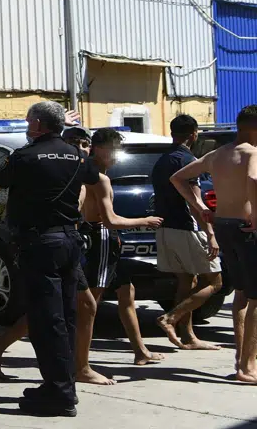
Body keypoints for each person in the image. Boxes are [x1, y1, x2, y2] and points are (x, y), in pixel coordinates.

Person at [0, 101, 99, 417]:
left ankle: (58, 393)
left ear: (36, 125)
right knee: (66, 316)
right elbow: (93, 178)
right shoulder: (77, 154)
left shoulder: (24, 156)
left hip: (39, 243)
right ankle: (64, 385)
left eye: (29, 121)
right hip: (70, 241)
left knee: (46, 320)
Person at [169, 104, 257, 383]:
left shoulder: (217, 154)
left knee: (241, 294)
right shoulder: (252, 153)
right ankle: (248, 367)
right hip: (246, 228)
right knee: (255, 298)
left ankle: (241, 360)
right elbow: (254, 178)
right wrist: (255, 215)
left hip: (224, 225)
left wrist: (201, 208)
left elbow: (177, 178)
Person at [70, 129, 166, 384]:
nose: (117, 155)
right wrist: (144, 221)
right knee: (89, 305)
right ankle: (80, 365)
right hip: (100, 240)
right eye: (114, 150)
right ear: (99, 149)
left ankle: (140, 351)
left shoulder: (95, 174)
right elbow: (109, 220)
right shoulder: (96, 177)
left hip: (107, 241)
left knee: (127, 292)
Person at [150, 114, 224, 352]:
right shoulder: (188, 160)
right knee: (215, 281)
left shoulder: (162, 160)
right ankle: (170, 318)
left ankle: (189, 337)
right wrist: (210, 234)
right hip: (186, 227)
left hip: (165, 227)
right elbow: (195, 202)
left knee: (186, 280)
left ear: (172, 133)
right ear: (194, 134)